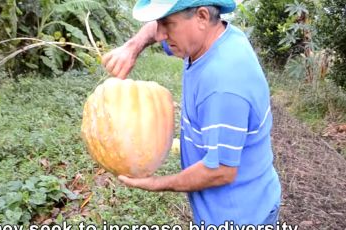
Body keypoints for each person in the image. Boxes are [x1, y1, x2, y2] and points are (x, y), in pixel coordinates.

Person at [102, 0, 282, 226]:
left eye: (167, 23)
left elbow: (220, 171)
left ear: (202, 16)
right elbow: (154, 30)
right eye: (159, 22)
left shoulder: (224, 82)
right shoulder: (210, 37)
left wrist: (156, 183)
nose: (159, 35)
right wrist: (132, 47)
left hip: (240, 216)